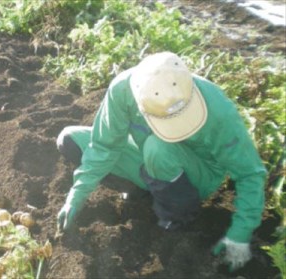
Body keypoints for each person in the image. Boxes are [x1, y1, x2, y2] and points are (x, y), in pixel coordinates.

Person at [56, 52, 266, 271]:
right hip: (151, 158)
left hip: (197, 175)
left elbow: (250, 173)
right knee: (70, 139)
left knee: (158, 148)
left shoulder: (217, 109)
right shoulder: (122, 91)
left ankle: (178, 217)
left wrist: (240, 234)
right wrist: (76, 196)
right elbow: (104, 147)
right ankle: (145, 191)